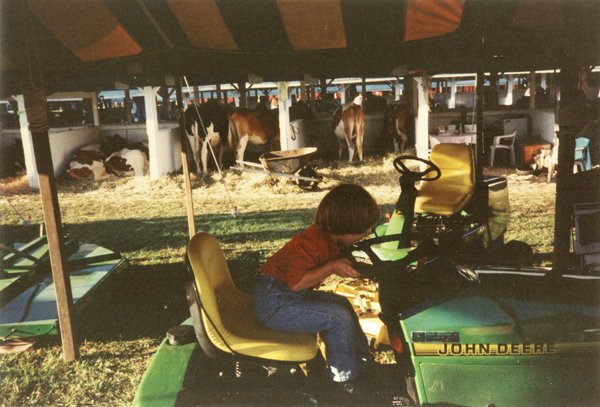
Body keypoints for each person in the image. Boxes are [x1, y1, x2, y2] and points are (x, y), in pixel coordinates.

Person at [253, 183, 380, 396]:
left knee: (341, 304)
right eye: (363, 229)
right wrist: (332, 267)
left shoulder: (329, 239)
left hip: (285, 296)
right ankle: (345, 382)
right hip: (274, 303)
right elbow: (296, 283)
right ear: (344, 226)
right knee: (337, 318)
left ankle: (361, 361)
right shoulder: (310, 244)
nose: (367, 233)